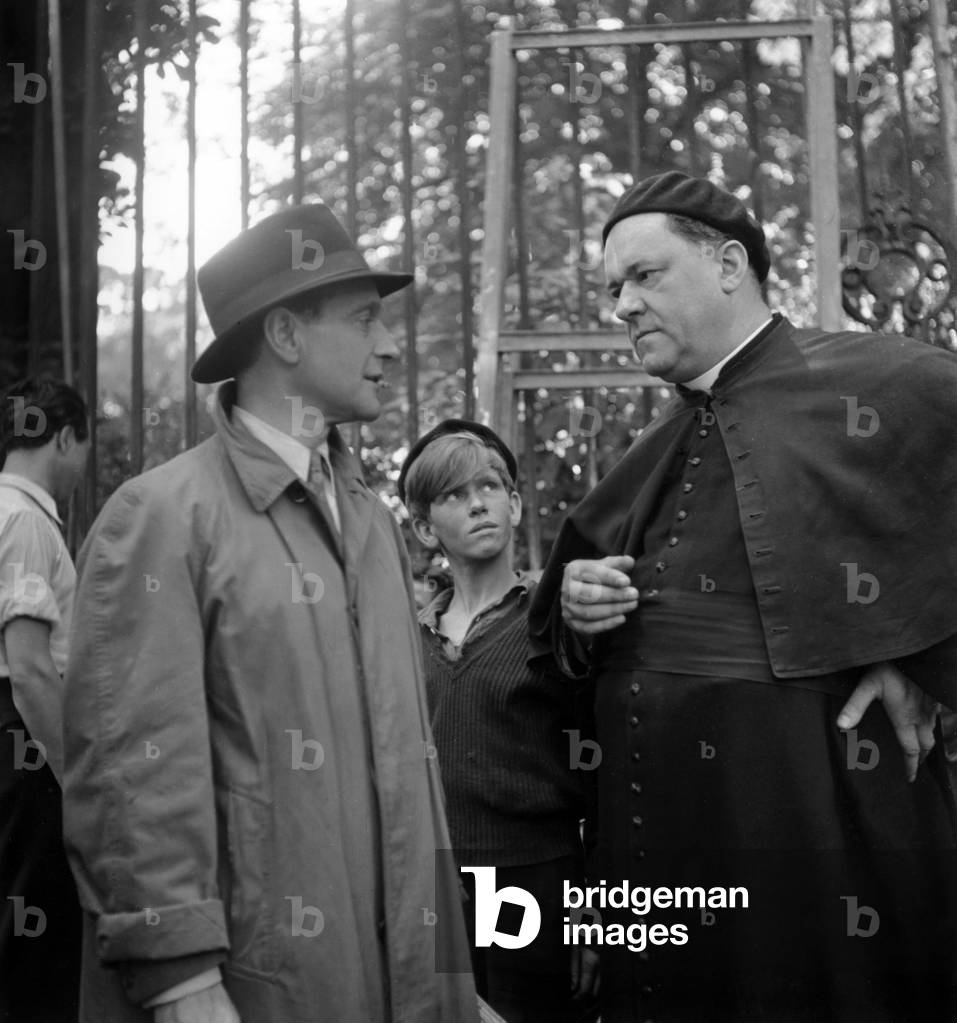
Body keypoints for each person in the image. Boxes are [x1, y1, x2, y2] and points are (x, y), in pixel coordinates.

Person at [528, 171, 957, 1022]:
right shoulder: (650, 448)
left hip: (806, 810)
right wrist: (576, 610)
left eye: (644, 276)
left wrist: (923, 657)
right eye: (612, 288)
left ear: (730, 264)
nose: (621, 306)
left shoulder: (883, 379)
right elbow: (553, 651)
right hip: (650, 831)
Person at [61, 205, 478, 1023]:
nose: (388, 345)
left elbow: (408, 775)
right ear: (285, 335)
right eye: (363, 319)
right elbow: (133, 773)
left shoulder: (373, 521)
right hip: (258, 992)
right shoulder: (160, 517)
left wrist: (452, 982)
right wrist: (182, 981)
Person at [398, 420, 599, 1023]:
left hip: (536, 878)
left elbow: (609, 766)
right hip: (437, 881)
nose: (477, 503)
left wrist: (599, 906)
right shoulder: (406, 636)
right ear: (426, 528)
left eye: (489, 487)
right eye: (454, 495)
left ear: (513, 504)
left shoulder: (557, 620)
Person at [0, 375, 89, 1022]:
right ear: (64, 437)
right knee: (34, 943)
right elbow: (30, 668)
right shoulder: (26, 520)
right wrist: (76, 780)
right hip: (23, 742)